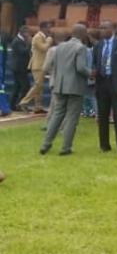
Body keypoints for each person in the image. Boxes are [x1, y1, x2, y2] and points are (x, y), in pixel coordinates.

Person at [40, 24, 91, 156]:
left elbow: (55, 66)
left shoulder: (60, 47)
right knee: (72, 117)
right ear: (83, 34)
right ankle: (66, 147)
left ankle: (46, 143)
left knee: (56, 115)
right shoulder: (81, 48)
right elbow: (80, 68)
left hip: (59, 85)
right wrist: (91, 73)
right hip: (74, 86)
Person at [93, 21, 117, 155]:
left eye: (105, 28)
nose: (102, 30)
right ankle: (104, 146)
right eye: (100, 28)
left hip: (116, 84)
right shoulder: (98, 46)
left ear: (112, 29)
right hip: (102, 84)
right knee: (102, 116)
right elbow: (95, 63)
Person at [18, 22, 53, 113]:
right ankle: (23, 102)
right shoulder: (37, 37)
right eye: (48, 27)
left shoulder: (43, 37)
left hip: (42, 65)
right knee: (38, 85)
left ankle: (38, 106)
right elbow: (43, 48)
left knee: (39, 87)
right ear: (43, 28)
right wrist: (49, 40)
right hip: (37, 65)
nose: (50, 29)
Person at [9, 26, 31, 112]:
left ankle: (13, 105)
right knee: (25, 86)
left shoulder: (20, 40)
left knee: (17, 86)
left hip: (21, 67)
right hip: (19, 68)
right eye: (27, 32)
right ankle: (19, 104)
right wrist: (29, 44)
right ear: (22, 32)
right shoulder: (17, 41)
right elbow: (23, 51)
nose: (28, 34)